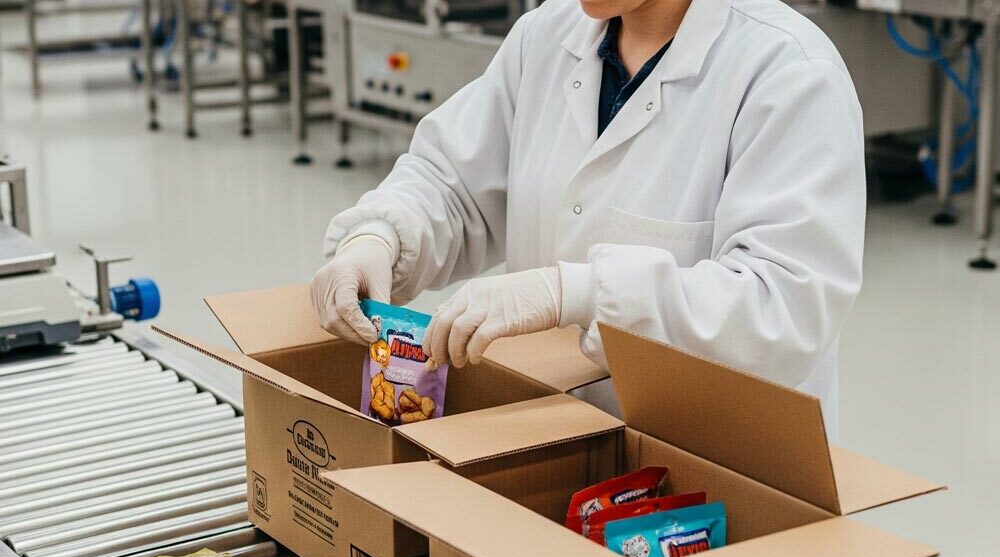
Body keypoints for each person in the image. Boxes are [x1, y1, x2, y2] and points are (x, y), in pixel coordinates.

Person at [311, 0, 865, 438]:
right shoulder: (547, 36)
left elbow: (782, 307)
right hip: (556, 442)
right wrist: (379, 237)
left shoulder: (789, 72)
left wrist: (576, 294)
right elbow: (455, 184)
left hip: (717, 475)